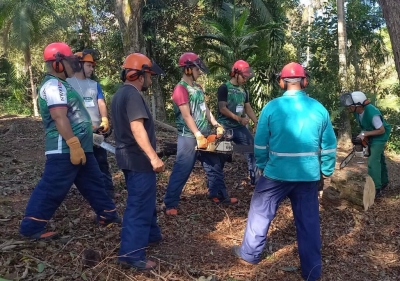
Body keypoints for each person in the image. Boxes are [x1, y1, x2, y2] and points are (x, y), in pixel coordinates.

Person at [232, 62, 337, 281]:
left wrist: (262, 164)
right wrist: (325, 170)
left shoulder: (271, 107)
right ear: (304, 81)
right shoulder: (318, 108)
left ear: (281, 82)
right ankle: (312, 272)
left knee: (260, 213)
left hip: (276, 174)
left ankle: (250, 254)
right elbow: (329, 144)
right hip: (308, 176)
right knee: (308, 223)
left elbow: (260, 143)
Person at [19, 42, 120, 240]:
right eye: (68, 61)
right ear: (58, 64)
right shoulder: (54, 85)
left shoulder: (63, 84)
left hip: (81, 147)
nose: (73, 65)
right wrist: (73, 144)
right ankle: (31, 228)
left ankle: (107, 215)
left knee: (94, 182)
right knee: (52, 187)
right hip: (64, 149)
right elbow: (59, 117)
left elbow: (74, 116)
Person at [163, 52, 237, 216]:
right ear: (188, 69)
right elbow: (186, 115)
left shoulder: (197, 87)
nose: (199, 72)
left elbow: (205, 109)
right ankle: (170, 203)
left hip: (205, 133)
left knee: (215, 166)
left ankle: (218, 194)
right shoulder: (180, 89)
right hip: (189, 137)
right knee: (182, 170)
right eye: (197, 69)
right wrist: (197, 134)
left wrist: (216, 124)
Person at [111, 53, 165, 270]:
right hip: (138, 159)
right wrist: (153, 156)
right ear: (139, 75)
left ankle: (152, 234)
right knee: (139, 204)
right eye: (149, 74)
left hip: (127, 156)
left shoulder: (119, 94)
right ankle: (131, 255)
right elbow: (136, 127)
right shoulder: (133, 95)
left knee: (145, 198)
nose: (150, 79)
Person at [67, 49, 114, 199]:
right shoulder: (68, 83)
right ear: (79, 65)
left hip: (96, 131)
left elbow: (101, 102)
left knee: (101, 163)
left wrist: (105, 120)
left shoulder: (94, 85)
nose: (92, 69)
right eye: (89, 65)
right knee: (79, 164)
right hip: (77, 132)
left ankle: (107, 193)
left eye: (93, 66)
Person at [340, 91, 391, 197]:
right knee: (379, 158)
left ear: (358, 105)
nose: (349, 108)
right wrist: (362, 137)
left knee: (373, 160)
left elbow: (381, 130)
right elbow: (364, 126)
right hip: (371, 134)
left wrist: (365, 134)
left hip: (380, 136)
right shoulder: (357, 112)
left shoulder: (372, 113)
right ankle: (384, 182)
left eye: (351, 106)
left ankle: (376, 188)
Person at [217, 60, 258, 184]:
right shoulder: (224, 88)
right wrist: (239, 118)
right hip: (225, 127)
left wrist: (256, 122)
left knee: (252, 149)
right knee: (221, 155)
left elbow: (248, 108)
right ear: (235, 74)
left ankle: (255, 180)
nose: (245, 79)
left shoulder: (244, 91)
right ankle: (217, 185)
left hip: (239, 128)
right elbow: (222, 108)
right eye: (244, 76)